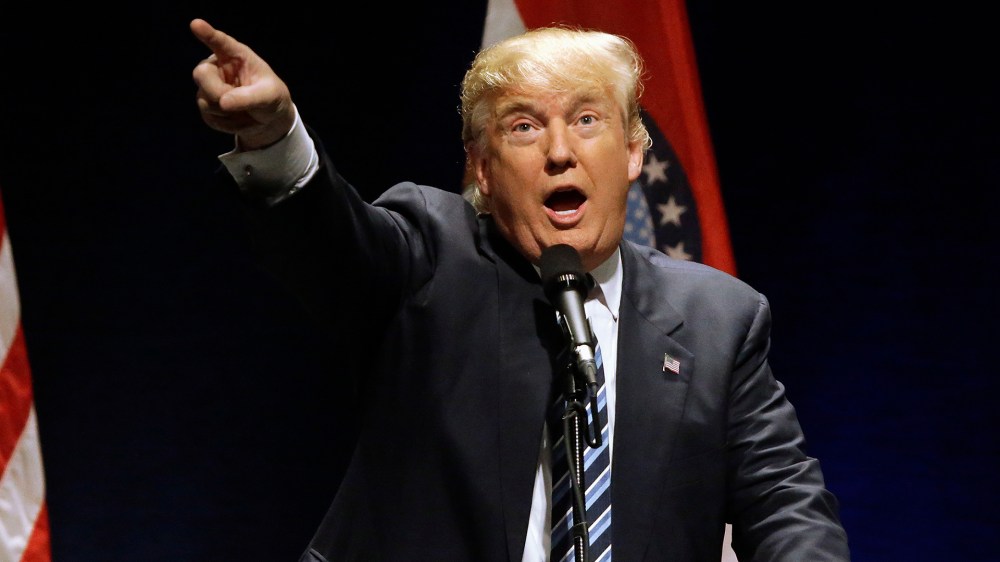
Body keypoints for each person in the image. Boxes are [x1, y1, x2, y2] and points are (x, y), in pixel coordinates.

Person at [189, 17, 850, 562]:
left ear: (631, 152)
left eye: (588, 120)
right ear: (482, 167)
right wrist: (276, 138)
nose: (560, 151)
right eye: (524, 127)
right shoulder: (432, 255)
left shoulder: (717, 318)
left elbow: (785, 501)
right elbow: (329, 243)